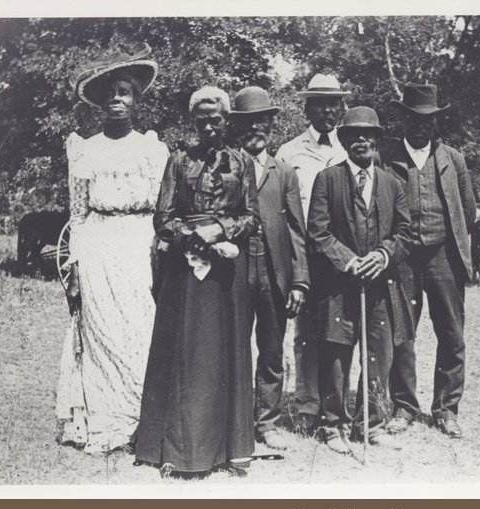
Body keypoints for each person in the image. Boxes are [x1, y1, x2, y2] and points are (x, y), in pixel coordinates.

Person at [135, 86, 260, 477]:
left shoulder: (242, 163)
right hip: (184, 272)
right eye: (202, 119)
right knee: (184, 353)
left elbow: (252, 217)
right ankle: (179, 450)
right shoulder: (177, 161)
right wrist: (194, 238)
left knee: (224, 353)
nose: (209, 125)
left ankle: (226, 450)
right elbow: (163, 216)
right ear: (193, 121)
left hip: (226, 274)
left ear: (227, 121)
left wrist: (220, 230)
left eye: (216, 119)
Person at [56, 44, 169, 453]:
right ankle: (105, 421)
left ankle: (141, 419)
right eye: (111, 93)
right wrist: (76, 266)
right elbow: (79, 214)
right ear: (101, 103)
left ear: (137, 99)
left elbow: (162, 211)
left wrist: (161, 253)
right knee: (102, 332)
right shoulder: (86, 150)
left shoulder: (153, 149)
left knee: (138, 329)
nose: (117, 100)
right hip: (100, 246)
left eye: (125, 92)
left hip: (139, 246)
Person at [307, 106, 413, 453]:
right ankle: (332, 424)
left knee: (378, 354)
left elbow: (404, 232)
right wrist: (349, 261)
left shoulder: (393, 183)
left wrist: (382, 255)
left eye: (368, 135)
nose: (361, 141)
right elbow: (318, 233)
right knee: (337, 353)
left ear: (377, 140)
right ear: (344, 140)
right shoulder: (328, 179)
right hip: (339, 285)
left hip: (380, 285)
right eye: (353, 135)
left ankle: (372, 423)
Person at [379, 83, 476, 438]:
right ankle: (403, 406)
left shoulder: (454, 160)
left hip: (443, 257)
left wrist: (453, 247)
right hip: (401, 259)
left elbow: (468, 211)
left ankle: (447, 409)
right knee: (401, 335)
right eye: (413, 118)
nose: (420, 125)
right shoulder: (384, 158)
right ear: (402, 119)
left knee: (451, 333)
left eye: (428, 119)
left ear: (435, 123)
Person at [229, 86, 309, 450]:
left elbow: (296, 229)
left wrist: (299, 282)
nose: (255, 130)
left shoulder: (285, 172)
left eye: (261, 122)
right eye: (247, 123)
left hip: (275, 272)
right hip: (235, 271)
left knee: (272, 350)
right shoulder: (225, 166)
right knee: (234, 346)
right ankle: (235, 419)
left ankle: (268, 421)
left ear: (271, 125)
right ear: (237, 127)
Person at [275, 73, 349, 434]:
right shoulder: (289, 152)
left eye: (333, 103)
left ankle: (337, 406)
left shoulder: (350, 149)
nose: (327, 110)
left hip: (340, 257)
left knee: (337, 334)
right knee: (305, 333)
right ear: (307, 107)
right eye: (319, 103)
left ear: (341, 107)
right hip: (303, 255)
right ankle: (306, 407)